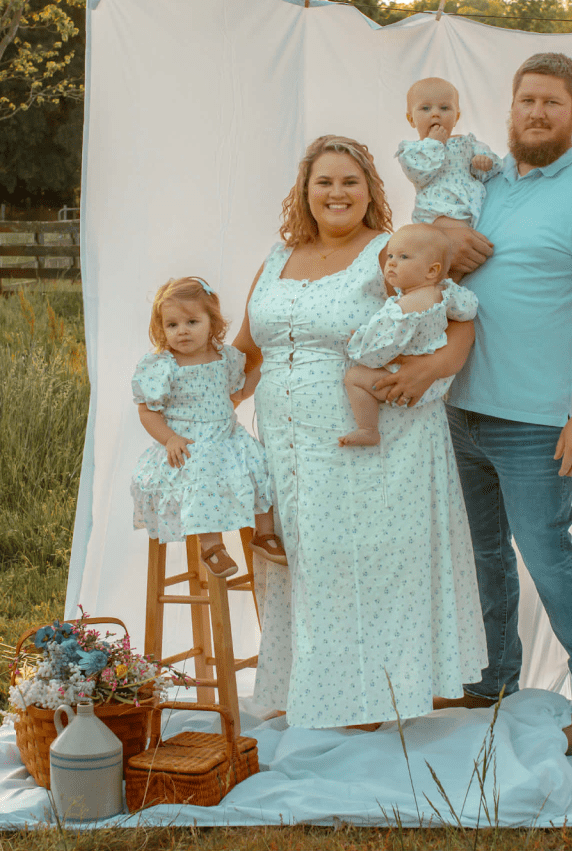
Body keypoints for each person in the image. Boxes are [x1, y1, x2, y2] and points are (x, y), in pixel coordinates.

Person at [417, 52, 572, 757]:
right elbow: (437, 239)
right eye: (525, 101)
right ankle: (492, 678)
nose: (536, 113)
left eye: (551, 102)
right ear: (509, 108)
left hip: (537, 419)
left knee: (548, 556)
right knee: (481, 553)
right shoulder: (490, 184)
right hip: (462, 406)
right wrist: (448, 236)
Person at [232, 136, 487, 729]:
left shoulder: (392, 252)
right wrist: (194, 398)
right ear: (305, 192)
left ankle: (379, 696)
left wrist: (427, 370)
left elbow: (461, 324)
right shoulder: (276, 258)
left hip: (374, 433)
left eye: (350, 181)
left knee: (368, 560)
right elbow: (248, 350)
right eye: (324, 181)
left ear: (371, 190)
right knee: (305, 561)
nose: (337, 192)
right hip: (288, 441)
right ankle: (320, 692)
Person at [131, 276, 287, 577]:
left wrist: (270, 365)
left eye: (192, 321)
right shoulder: (163, 366)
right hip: (188, 445)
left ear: (212, 324)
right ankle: (212, 547)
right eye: (172, 325)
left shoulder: (224, 358)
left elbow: (239, 391)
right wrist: (170, 439)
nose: (182, 331)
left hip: (227, 439)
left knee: (261, 466)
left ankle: (264, 533)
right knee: (203, 478)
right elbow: (148, 411)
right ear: (161, 329)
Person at [339, 223, 478, 447]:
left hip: (407, 381)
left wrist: (358, 343)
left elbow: (381, 352)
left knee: (355, 378)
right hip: (437, 378)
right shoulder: (443, 292)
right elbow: (468, 309)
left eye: (404, 257)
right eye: (391, 255)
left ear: (432, 270)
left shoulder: (403, 310)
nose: (392, 262)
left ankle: (368, 428)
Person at [396, 77, 502, 272]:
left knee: (474, 259)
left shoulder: (467, 143)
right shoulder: (413, 150)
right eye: (425, 109)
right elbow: (419, 173)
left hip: (471, 210)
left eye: (445, 108)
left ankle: (454, 295)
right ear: (411, 119)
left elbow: (493, 167)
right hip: (438, 212)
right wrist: (434, 143)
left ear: (457, 115)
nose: (436, 114)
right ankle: (442, 294)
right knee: (447, 262)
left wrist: (483, 163)